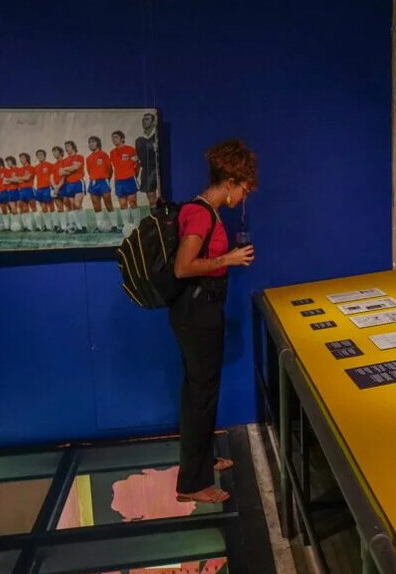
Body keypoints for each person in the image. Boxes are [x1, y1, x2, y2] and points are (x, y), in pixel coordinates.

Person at [169, 139, 257, 503]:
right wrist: (229, 260)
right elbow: (182, 266)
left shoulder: (207, 211)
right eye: (245, 189)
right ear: (231, 181)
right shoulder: (202, 213)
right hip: (197, 313)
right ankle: (192, 484)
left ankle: (202, 462)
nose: (244, 198)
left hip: (201, 311)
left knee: (200, 392)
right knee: (200, 396)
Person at [86, 136, 119, 232]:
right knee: (96, 206)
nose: (91, 144)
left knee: (108, 204)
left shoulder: (104, 155)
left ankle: (115, 226)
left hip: (103, 181)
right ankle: (100, 226)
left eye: (93, 142)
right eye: (89, 142)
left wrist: (106, 179)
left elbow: (109, 169)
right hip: (93, 183)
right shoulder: (88, 158)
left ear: (98, 143)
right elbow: (89, 171)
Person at [110, 130, 140, 228]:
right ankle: (126, 225)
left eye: (116, 137)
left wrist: (133, 176)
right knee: (122, 204)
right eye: (112, 138)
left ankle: (137, 224)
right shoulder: (112, 153)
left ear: (122, 139)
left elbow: (137, 165)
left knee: (132, 202)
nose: (113, 140)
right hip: (119, 181)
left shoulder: (130, 149)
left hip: (129, 179)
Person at [60, 141, 87, 233]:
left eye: (68, 146)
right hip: (69, 184)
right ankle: (79, 228)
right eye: (65, 147)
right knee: (72, 206)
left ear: (73, 147)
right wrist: (69, 169)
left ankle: (84, 226)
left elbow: (75, 167)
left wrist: (66, 169)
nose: (66, 148)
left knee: (77, 204)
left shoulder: (79, 157)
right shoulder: (64, 160)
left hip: (78, 182)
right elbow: (61, 173)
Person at [136, 113, 160, 207]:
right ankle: (154, 219)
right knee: (151, 198)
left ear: (154, 122)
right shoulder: (139, 140)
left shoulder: (158, 137)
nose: (144, 121)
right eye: (143, 120)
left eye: (147, 119)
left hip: (157, 169)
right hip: (147, 171)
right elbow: (139, 158)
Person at [34, 150, 58, 231]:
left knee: (51, 207)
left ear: (45, 156)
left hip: (48, 188)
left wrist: (54, 187)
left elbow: (53, 177)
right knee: (43, 208)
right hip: (39, 189)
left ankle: (55, 225)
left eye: (41, 154)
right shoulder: (36, 167)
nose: (40, 156)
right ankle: (48, 226)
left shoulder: (50, 165)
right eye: (38, 155)